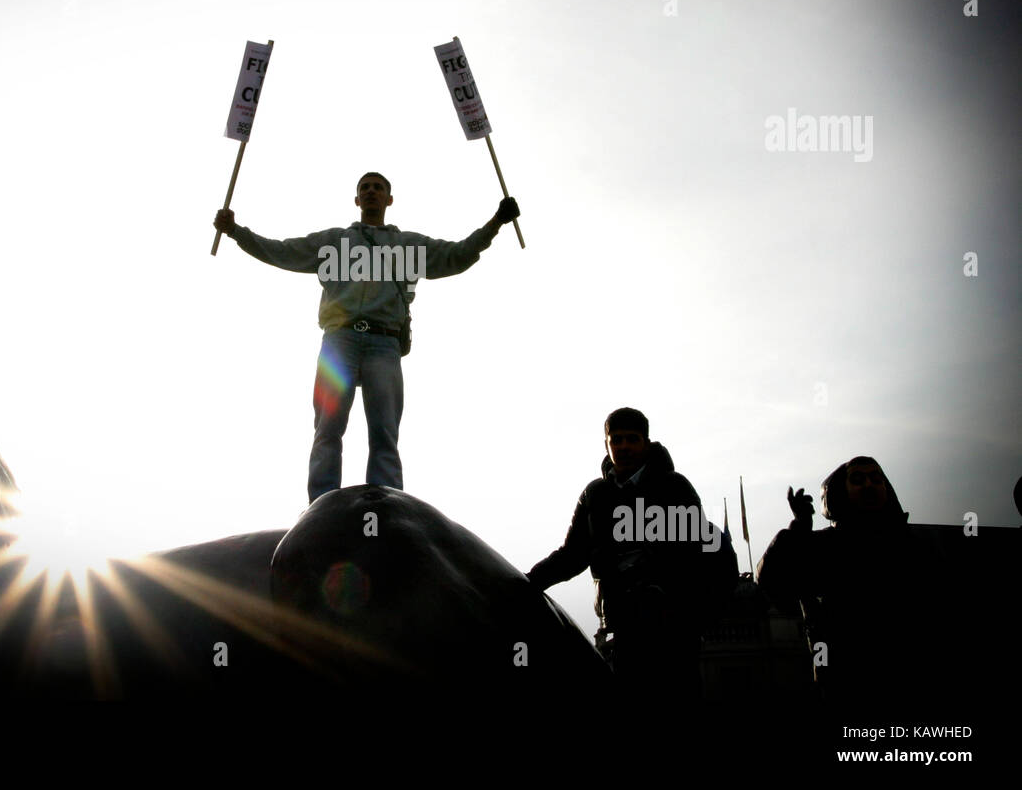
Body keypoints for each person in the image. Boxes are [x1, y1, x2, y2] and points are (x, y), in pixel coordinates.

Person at [214, 172, 519, 503]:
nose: (371, 192)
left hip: (384, 341)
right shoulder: (334, 242)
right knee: (328, 428)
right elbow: (281, 251)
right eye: (365, 188)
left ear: (389, 199)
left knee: (384, 431)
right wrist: (235, 232)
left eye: (378, 188)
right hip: (339, 339)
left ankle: (385, 505)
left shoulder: (409, 245)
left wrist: (496, 223)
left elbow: (457, 255)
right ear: (357, 200)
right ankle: (323, 504)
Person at [526, 407, 731, 698]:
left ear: (646, 443)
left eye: (631, 439)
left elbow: (704, 557)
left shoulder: (675, 488)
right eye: (616, 439)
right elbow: (573, 555)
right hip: (625, 626)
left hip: (673, 630)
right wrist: (528, 581)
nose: (623, 447)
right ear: (606, 444)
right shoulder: (594, 496)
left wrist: (695, 617)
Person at [756, 457, 947, 709]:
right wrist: (798, 530)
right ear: (839, 492)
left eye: (876, 478)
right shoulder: (823, 547)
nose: (869, 485)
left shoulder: (913, 547)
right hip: (846, 686)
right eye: (858, 480)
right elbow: (770, 580)